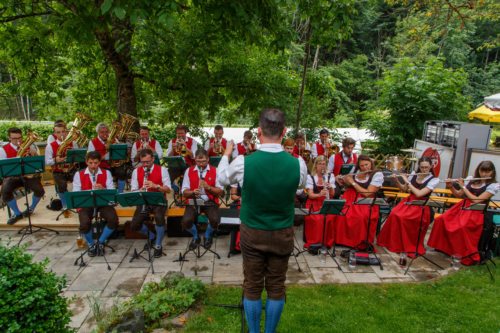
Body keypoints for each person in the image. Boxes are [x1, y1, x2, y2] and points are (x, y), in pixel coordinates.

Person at [217, 108, 307, 333]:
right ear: (284, 131)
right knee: (277, 285)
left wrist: (226, 153)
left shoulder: (243, 162)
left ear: (259, 131)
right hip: (282, 232)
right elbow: (299, 185)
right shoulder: (299, 164)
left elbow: (221, 179)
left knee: (252, 284)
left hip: (253, 232)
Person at [427, 161, 499, 265]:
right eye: (482, 171)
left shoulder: (493, 185)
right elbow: (458, 195)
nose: (484, 174)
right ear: (478, 170)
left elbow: (477, 200)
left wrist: (463, 186)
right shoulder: (471, 180)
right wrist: (451, 186)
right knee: (440, 220)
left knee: (461, 227)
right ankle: (444, 248)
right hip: (462, 207)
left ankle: (460, 253)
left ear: (492, 172)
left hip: (476, 211)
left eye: (487, 171)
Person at [377, 157, 439, 259]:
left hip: (420, 205)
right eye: (422, 167)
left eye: (426, 167)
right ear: (419, 166)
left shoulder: (434, 180)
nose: (424, 170)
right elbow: (405, 189)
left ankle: (406, 244)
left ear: (431, 167)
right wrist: (396, 180)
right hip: (409, 201)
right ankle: (395, 243)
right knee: (394, 214)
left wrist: (407, 180)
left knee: (403, 218)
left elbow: (419, 194)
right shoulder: (414, 174)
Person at [72, 151, 119, 256]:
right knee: (84, 223)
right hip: (86, 203)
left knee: (113, 219)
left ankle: (100, 242)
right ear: (86, 162)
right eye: (90, 163)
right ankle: (91, 244)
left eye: (96, 163)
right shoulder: (78, 174)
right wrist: (89, 191)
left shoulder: (106, 173)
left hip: (103, 202)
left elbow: (111, 191)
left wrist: (103, 188)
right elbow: (76, 192)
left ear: (100, 162)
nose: (93, 166)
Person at [334, 155, 383, 249]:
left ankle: (359, 242)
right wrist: (342, 180)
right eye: (362, 166)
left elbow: (368, 193)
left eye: (367, 165)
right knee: (341, 213)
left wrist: (352, 182)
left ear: (371, 163)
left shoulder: (377, 174)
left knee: (361, 217)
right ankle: (342, 241)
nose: (365, 167)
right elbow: (347, 185)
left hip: (365, 201)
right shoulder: (355, 171)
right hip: (350, 198)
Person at [130, 149, 172, 257]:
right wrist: (141, 189)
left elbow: (168, 189)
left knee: (159, 217)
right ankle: (152, 236)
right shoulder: (136, 171)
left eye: (147, 162)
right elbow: (133, 190)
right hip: (143, 201)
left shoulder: (162, 170)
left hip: (159, 201)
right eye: (142, 162)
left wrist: (156, 186)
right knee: (134, 225)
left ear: (153, 159)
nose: (145, 165)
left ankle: (158, 245)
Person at [181, 148, 224, 250]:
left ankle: (207, 235)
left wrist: (208, 187)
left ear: (208, 159)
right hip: (194, 200)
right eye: (198, 161)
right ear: (195, 159)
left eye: (203, 161)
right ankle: (196, 237)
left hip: (210, 200)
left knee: (215, 220)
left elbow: (220, 191)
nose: (200, 164)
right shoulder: (189, 170)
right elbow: (184, 191)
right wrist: (192, 192)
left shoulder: (215, 170)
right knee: (186, 221)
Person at [1, 128, 45, 225]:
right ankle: (17, 213)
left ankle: (31, 209)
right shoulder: (3, 150)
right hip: (12, 177)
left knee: (40, 190)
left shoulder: (29, 146)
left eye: (20, 138)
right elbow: (4, 168)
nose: (18, 141)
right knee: (5, 191)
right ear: (9, 138)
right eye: (14, 138)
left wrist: (34, 155)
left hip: (27, 176)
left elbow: (37, 164)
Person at [303, 155, 336, 249]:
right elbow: (310, 195)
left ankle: (327, 242)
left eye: (324, 164)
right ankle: (315, 242)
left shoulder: (330, 176)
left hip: (326, 202)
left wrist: (330, 188)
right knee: (317, 219)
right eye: (320, 164)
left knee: (330, 217)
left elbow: (333, 194)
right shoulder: (311, 177)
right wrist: (319, 194)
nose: (322, 166)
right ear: (316, 165)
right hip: (313, 202)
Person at [45, 122, 79, 210]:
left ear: (67, 132)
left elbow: (78, 157)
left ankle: (78, 202)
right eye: (58, 132)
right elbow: (47, 162)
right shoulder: (50, 146)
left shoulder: (73, 143)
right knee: (61, 185)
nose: (61, 134)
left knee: (80, 180)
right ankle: (65, 205)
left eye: (63, 132)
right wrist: (55, 160)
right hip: (58, 171)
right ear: (55, 134)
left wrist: (74, 159)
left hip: (71, 169)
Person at [88, 123, 128, 193]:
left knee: (122, 173)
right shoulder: (92, 142)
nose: (105, 134)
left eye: (106, 132)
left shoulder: (114, 139)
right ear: (98, 133)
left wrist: (117, 147)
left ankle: (120, 193)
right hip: (101, 166)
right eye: (102, 132)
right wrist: (105, 156)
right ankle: (106, 193)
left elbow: (121, 153)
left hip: (114, 165)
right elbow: (91, 157)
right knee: (105, 174)